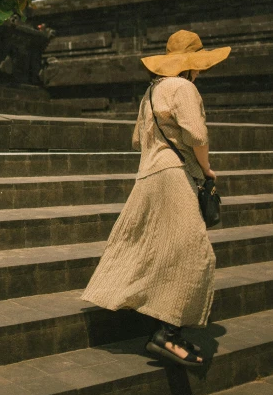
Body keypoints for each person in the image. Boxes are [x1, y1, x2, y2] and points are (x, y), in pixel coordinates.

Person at [81, 30, 231, 367]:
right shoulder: (184, 87)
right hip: (173, 175)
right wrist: (207, 170)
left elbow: (139, 140)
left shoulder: (153, 91)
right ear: (193, 65)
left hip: (150, 173)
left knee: (155, 246)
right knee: (193, 251)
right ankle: (167, 334)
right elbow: (197, 134)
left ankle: (161, 323)